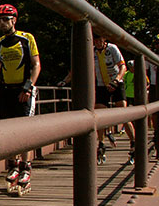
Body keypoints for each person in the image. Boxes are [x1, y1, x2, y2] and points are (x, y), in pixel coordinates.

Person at [58, 31, 135, 162]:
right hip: (101, 85)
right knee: (99, 114)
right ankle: (101, 143)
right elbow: (75, 69)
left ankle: (133, 143)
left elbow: (122, 66)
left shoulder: (112, 48)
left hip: (116, 83)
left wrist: (116, 80)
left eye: (100, 40)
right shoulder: (91, 51)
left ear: (104, 39)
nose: (98, 42)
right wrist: (65, 81)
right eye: (95, 40)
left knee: (123, 113)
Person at [0, 3, 41, 194]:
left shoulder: (27, 38)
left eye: (5, 19)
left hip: (23, 90)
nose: (2, 23)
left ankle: (25, 168)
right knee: (8, 130)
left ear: (14, 20)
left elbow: (36, 64)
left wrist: (28, 87)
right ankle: (13, 164)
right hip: (5, 91)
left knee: (24, 130)